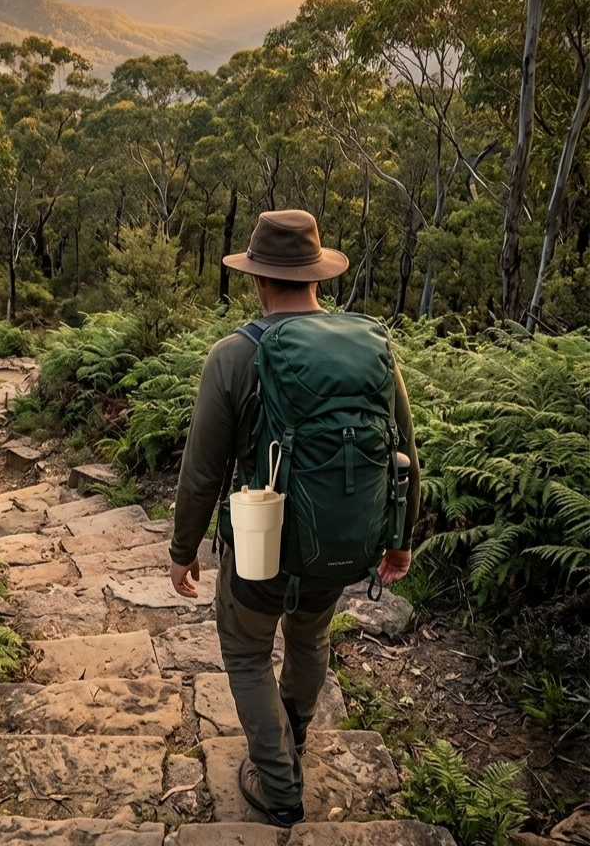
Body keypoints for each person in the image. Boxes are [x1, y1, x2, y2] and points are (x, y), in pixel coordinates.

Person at [168, 209, 420, 828]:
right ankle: (296, 739)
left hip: (259, 549)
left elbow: (202, 470)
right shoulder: (369, 349)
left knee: (248, 653)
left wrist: (183, 548)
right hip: (335, 538)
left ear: (258, 280)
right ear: (316, 277)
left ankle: (279, 785)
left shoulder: (231, 356)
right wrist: (400, 539)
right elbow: (406, 452)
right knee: (309, 637)